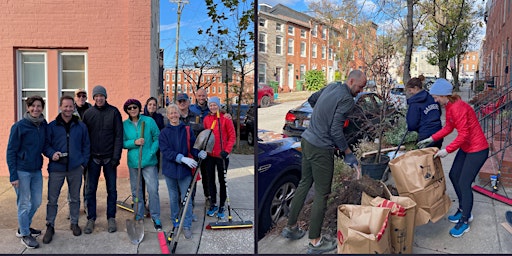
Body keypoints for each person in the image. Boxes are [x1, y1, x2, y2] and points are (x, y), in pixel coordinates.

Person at [281, 70, 367, 254]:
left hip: (307, 140)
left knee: (304, 183)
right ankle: (315, 241)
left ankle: (291, 227)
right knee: (322, 193)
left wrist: (320, 118)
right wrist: (348, 153)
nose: (360, 91)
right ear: (351, 80)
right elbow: (336, 130)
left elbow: (313, 99)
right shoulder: (346, 100)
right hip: (321, 148)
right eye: (360, 87)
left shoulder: (332, 86)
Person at [417, 78, 489, 238]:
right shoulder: (450, 106)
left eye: (436, 97)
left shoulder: (459, 108)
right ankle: (463, 208)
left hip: (478, 150)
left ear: (444, 95)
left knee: (464, 182)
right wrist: (432, 138)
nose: (435, 100)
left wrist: (447, 150)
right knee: (454, 175)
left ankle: (465, 220)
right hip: (467, 148)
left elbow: (463, 134)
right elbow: (449, 127)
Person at [42, 95, 90, 244]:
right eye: (65, 106)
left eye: (71, 106)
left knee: (74, 198)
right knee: (52, 199)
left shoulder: (81, 126)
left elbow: (86, 145)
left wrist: (83, 163)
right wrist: (51, 154)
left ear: (74, 107)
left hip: (75, 168)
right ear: (60, 107)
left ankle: (74, 223)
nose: (68, 109)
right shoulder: (52, 126)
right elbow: (45, 145)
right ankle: (50, 225)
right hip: (57, 169)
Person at [159, 103, 207, 239]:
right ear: (168, 116)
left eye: (175, 113)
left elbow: (193, 147)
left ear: (179, 114)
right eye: (171, 113)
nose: (174, 115)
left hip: (185, 171)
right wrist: (181, 158)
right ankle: (176, 221)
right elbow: (166, 151)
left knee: (187, 198)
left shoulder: (187, 130)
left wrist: (199, 153)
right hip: (170, 171)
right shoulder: (164, 133)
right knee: (174, 198)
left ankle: (186, 225)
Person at [82, 85, 124, 234]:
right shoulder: (88, 114)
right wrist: (85, 157)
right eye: (96, 96)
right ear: (93, 98)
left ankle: (111, 217)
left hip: (109, 159)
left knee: (111, 190)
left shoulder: (114, 112)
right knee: (90, 190)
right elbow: (84, 137)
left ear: (105, 97)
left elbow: (119, 135)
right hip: (93, 159)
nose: (99, 98)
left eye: (101, 95)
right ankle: (91, 218)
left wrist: (116, 157)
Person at [7, 95, 47, 249]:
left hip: (36, 170)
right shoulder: (19, 126)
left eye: (39, 106)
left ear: (42, 108)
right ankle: (25, 234)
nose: (36, 109)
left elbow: (45, 145)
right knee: (23, 203)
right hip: (21, 170)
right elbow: (11, 151)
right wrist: (13, 175)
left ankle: (23, 226)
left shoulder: (43, 125)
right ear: (27, 108)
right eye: (33, 106)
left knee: (36, 201)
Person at [122, 99, 162, 230]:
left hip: (149, 161)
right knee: (136, 190)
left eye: (135, 107)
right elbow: (123, 143)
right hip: (134, 162)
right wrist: (134, 142)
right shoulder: (125, 125)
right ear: (127, 110)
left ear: (139, 108)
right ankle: (138, 215)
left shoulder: (149, 121)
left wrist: (151, 152)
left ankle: (155, 216)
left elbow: (157, 137)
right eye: (129, 108)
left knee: (152, 190)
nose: (132, 109)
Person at [203, 96, 236, 220]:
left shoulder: (225, 119)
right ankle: (213, 203)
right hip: (210, 155)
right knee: (210, 180)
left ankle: (222, 205)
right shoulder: (207, 119)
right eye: (210, 105)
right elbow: (206, 136)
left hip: (222, 156)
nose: (212, 107)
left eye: (214, 105)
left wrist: (226, 151)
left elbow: (232, 136)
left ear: (218, 105)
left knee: (223, 181)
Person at [405, 77, 443, 149]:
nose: (410, 93)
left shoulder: (415, 103)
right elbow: (439, 112)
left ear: (416, 88)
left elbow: (412, 124)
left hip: (425, 134)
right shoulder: (432, 97)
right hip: (438, 132)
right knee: (435, 157)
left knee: (425, 158)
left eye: (410, 90)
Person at [73, 88, 92, 215]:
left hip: (89, 149)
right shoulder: (70, 110)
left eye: (83, 95)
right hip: (75, 151)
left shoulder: (91, 109)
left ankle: (87, 204)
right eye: (78, 95)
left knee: (88, 181)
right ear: (75, 98)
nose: (81, 98)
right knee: (74, 181)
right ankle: (73, 207)